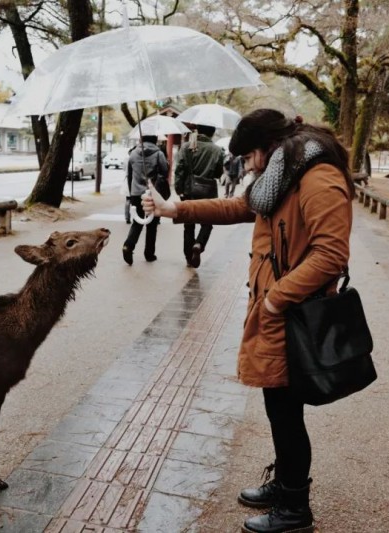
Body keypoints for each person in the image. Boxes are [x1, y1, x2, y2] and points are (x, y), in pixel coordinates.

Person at [143, 109, 354, 533]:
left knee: (287, 410)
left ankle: (295, 508)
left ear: (269, 147)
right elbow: (240, 206)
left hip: (294, 312)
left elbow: (332, 255)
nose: (250, 165)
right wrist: (175, 210)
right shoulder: (284, 174)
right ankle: (285, 483)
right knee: (278, 407)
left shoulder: (318, 177)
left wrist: (276, 299)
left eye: (251, 156)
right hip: (277, 310)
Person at [174, 124, 225, 268]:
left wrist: (179, 189)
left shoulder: (186, 147)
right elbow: (218, 173)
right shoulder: (217, 150)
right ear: (213, 133)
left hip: (189, 190)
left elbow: (179, 170)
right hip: (208, 191)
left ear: (198, 131)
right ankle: (199, 244)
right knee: (207, 222)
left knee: (188, 224)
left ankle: (188, 257)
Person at [122, 135, 169, 265]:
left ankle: (128, 246)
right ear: (155, 141)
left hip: (136, 193)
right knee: (152, 224)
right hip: (152, 193)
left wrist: (131, 194)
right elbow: (165, 172)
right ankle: (149, 254)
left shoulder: (133, 154)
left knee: (137, 222)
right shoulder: (159, 153)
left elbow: (130, 175)